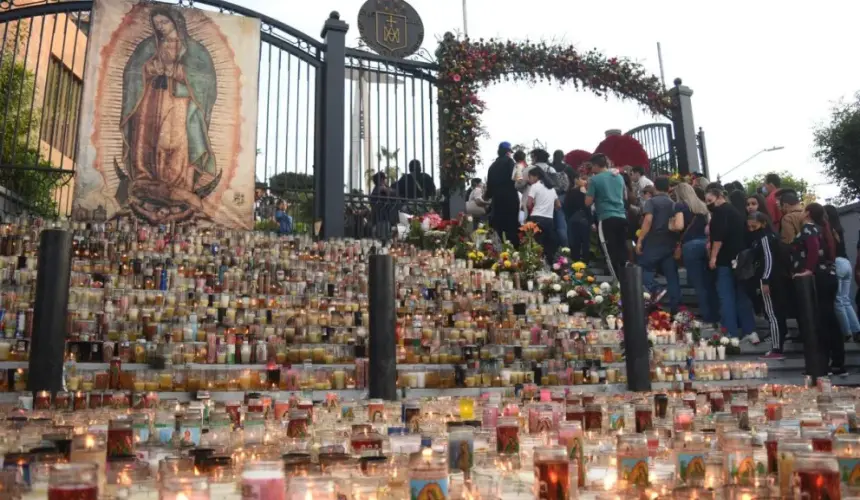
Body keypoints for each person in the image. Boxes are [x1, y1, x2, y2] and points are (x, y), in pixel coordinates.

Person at [791, 203, 843, 375]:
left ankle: (825, 362)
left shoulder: (809, 229)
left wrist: (808, 270)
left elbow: (812, 248)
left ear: (807, 213)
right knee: (830, 318)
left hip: (819, 278)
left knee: (822, 319)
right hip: (828, 275)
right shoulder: (823, 229)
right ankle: (837, 361)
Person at [705, 188, 757, 341]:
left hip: (724, 260)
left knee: (726, 296)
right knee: (741, 296)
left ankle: (730, 333)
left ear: (719, 197)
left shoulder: (720, 213)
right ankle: (750, 331)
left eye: (710, 200)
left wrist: (713, 257)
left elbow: (718, 238)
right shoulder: (736, 212)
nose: (709, 204)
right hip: (739, 260)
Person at [674, 182, 719, 325]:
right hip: (705, 244)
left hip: (690, 246)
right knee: (709, 283)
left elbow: (679, 225)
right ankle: (716, 314)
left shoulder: (680, 206)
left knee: (699, 285)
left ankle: (707, 317)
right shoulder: (702, 206)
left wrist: (671, 225)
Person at [747, 211, 790, 360]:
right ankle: (778, 344)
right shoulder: (772, 237)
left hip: (769, 279)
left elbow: (768, 260)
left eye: (754, 226)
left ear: (763, 224)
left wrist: (765, 280)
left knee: (772, 314)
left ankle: (777, 348)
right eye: (750, 227)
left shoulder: (764, 238)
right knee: (777, 313)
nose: (752, 230)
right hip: (777, 279)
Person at [636, 176, 681, 313]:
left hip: (653, 241)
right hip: (670, 242)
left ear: (655, 187)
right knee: (672, 276)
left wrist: (640, 239)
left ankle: (656, 289)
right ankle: (676, 309)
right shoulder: (674, 204)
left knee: (644, 268)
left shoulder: (651, 202)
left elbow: (648, 221)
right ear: (669, 188)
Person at [585, 154, 629, 281]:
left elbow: (588, 202)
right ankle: (626, 278)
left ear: (596, 165)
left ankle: (617, 280)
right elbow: (624, 196)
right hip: (621, 215)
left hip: (606, 217)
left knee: (609, 251)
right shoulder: (619, 177)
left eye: (591, 166)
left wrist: (584, 189)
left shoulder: (595, 180)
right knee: (621, 248)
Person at [825, 204, 860, 342]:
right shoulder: (839, 228)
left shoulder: (828, 229)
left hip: (837, 263)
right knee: (845, 300)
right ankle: (856, 329)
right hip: (846, 262)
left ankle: (847, 332)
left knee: (838, 301)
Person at [484, 142, 521, 246]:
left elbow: (489, 189)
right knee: (511, 226)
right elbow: (518, 180)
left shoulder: (492, 167)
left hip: (497, 201)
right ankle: (513, 250)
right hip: (511, 199)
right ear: (507, 152)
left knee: (499, 227)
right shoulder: (511, 162)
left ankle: (499, 251)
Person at [526, 167, 560, 265]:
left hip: (536, 217)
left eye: (530, 177)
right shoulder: (551, 188)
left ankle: (535, 266)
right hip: (549, 219)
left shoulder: (535, 186)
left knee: (535, 244)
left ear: (536, 176)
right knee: (547, 245)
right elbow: (558, 205)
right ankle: (547, 266)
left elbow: (528, 204)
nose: (529, 179)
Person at [565, 171, 591, 262]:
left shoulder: (570, 192)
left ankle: (575, 262)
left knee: (575, 242)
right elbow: (588, 207)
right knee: (585, 242)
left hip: (572, 219)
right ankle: (585, 262)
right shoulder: (586, 193)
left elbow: (566, 207)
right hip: (583, 219)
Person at [369, 172, 395, 240]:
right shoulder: (381, 188)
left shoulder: (375, 190)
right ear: (381, 179)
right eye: (384, 179)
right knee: (384, 239)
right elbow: (392, 193)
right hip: (382, 219)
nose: (385, 181)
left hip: (377, 219)